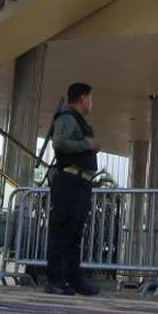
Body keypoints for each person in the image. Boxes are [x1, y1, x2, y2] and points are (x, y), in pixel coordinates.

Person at [46, 82, 100, 297]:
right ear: (81, 98)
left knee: (74, 234)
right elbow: (59, 143)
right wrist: (87, 146)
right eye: (90, 98)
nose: (91, 102)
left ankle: (73, 278)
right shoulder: (67, 118)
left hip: (79, 182)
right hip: (69, 180)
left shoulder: (75, 120)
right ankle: (55, 280)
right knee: (63, 232)